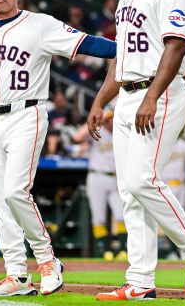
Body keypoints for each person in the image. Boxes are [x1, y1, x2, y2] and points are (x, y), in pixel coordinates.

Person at [0, 0, 116, 297]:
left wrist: (130, 47)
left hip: (28, 114)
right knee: (0, 201)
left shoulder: (39, 25)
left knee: (14, 191)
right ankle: (17, 275)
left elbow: (87, 44)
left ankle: (48, 261)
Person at [87, 0, 185, 301]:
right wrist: (99, 101)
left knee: (143, 179)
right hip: (129, 94)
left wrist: (151, 97)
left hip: (161, 93)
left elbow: (175, 47)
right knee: (130, 191)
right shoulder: (126, 0)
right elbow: (120, 58)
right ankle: (141, 281)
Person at [72, 109, 127, 261]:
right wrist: (99, 120)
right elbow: (77, 137)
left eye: (112, 119)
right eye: (109, 120)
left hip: (115, 178)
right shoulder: (97, 131)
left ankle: (123, 250)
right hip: (97, 176)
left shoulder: (122, 133)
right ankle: (104, 251)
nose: (110, 122)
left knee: (122, 215)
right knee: (99, 217)